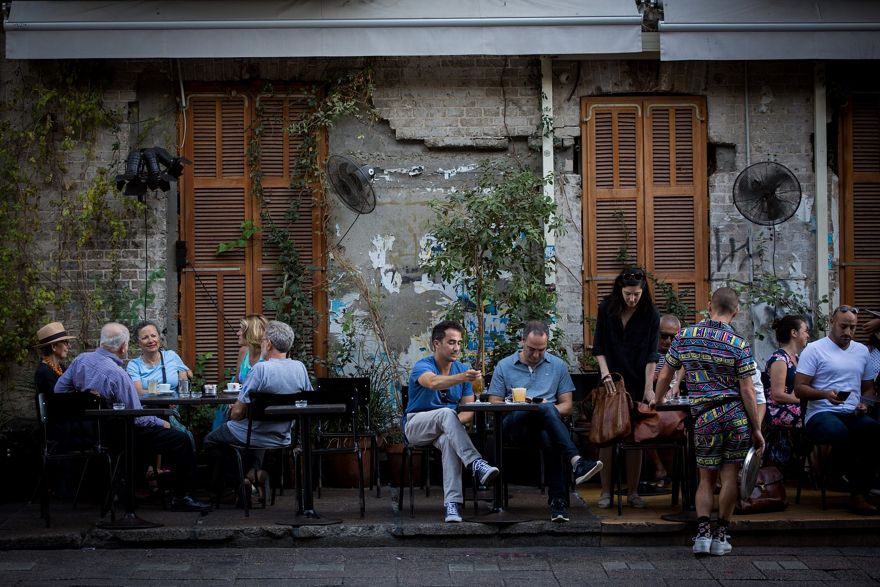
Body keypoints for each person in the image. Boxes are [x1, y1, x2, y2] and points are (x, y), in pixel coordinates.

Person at [54, 322, 210, 512]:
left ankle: (137, 487)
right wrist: (161, 422)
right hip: (117, 435)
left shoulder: (81, 360)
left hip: (89, 433)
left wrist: (83, 403)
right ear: (124, 346)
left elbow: (59, 390)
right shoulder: (118, 374)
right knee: (181, 439)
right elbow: (137, 417)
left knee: (151, 436)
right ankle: (181, 497)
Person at [655, 287, 763, 556]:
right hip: (735, 416)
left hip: (704, 418)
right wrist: (757, 428)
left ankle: (702, 536)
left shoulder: (685, 336)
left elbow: (666, 373)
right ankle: (722, 536)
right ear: (736, 311)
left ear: (708, 305)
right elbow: (748, 390)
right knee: (729, 477)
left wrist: (657, 401)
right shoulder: (739, 344)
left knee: (705, 478)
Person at [488, 320, 603, 523]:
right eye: (531, 349)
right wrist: (523, 405)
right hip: (515, 425)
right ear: (522, 341)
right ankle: (576, 461)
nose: (536, 355)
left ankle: (557, 503)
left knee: (548, 433)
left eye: (541, 350)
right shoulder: (504, 366)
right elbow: (494, 403)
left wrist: (544, 409)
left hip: (545, 428)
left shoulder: (557, 366)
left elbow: (567, 406)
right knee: (546, 409)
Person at [203, 320, 312, 500]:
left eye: (263, 340)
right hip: (283, 436)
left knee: (210, 441)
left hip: (253, 433)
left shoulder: (260, 369)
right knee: (250, 443)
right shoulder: (299, 367)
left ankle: (243, 479)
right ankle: (253, 474)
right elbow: (307, 399)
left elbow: (238, 412)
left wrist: (230, 415)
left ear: (268, 344)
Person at [405, 320, 500, 523]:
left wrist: (450, 423)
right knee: (446, 414)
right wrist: (462, 378)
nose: (456, 347)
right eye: (451, 342)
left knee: (449, 439)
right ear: (436, 343)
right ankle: (475, 463)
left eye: (459, 343)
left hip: (446, 429)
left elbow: (468, 412)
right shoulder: (423, 366)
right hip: (417, 425)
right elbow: (432, 383)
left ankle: (452, 505)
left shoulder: (462, 370)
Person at [794, 305, 879, 515]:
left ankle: (857, 488)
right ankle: (850, 487)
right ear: (832, 323)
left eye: (853, 328)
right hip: (821, 413)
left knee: (873, 431)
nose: (848, 332)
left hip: (852, 412)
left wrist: (865, 404)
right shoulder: (814, 349)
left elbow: (868, 387)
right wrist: (824, 394)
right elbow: (799, 389)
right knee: (838, 432)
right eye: (843, 326)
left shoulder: (861, 351)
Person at [592, 267, 660, 509]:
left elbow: (653, 354)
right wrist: (605, 375)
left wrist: (650, 387)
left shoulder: (651, 314)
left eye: (637, 294)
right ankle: (605, 492)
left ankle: (632, 492)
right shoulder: (606, 309)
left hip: (638, 379)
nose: (632, 299)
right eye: (628, 294)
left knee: (635, 438)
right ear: (620, 290)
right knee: (607, 436)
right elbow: (598, 346)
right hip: (610, 380)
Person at [648, 313, 684, 488]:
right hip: (652, 404)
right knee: (644, 425)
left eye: (673, 336)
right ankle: (659, 469)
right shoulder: (649, 354)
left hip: (674, 405)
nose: (668, 341)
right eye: (664, 336)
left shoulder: (681, 355)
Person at [764, 315, 810, 429]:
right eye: (805, 331)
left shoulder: (798, 358)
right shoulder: (780, 359)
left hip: (797, 408)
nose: (808, 335)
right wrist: (805, 401)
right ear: (794, 333)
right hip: (782, 411)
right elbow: (778, 395)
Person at [126, 320, 192, 394]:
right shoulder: (134, 365)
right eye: (145, 338)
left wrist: (183, 371)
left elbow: (190, 374)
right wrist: (161, 394)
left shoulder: (171, 356)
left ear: (159, 337)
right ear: (138, 343)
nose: (151, 340)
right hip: (148, 405)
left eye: (153, 336)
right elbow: (138, 392)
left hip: (173, 404)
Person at [34, 321, 76, 396]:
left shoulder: (61, 368)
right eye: (65, 343)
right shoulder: (43, 372)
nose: (69, 346)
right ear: (53, 346)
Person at [235, 314, 267, 384]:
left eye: (241, 330)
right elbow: (236, 384)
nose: (238, 333)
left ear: (251, 332)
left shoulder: (268, 354)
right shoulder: (243, 351)